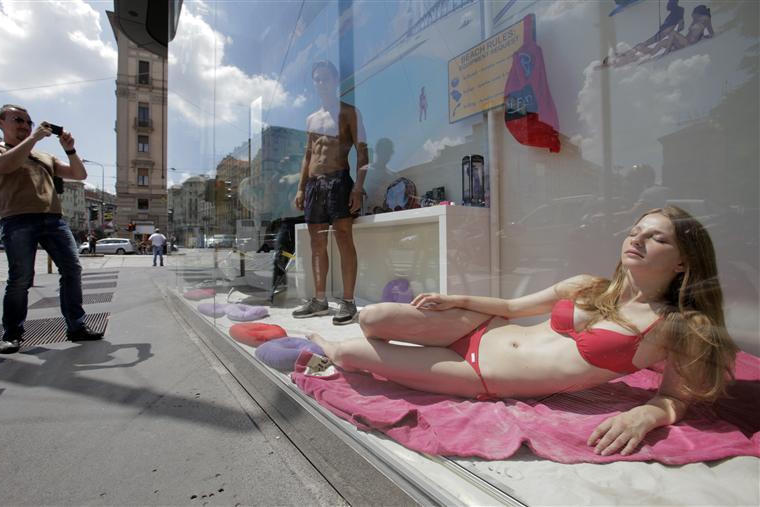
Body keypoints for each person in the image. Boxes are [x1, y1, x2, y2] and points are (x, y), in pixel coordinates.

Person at [309, 206, 738, 456]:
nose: (638, 239)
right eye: (635, 231)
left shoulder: (680, 325)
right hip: (481, 329)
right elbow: (514, 308)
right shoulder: (589, 285)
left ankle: (323, 345)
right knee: (371, 319)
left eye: (657, 238)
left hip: (479, 375)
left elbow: (679, 397)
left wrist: (648, 414)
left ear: (684, 262)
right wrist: (458, 299)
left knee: (348, 354)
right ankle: (345, 340)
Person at [0, 104, 104, 354]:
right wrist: (34, 139)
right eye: (18, 120)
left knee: (72, 269)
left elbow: (79, 174)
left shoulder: (45, 157)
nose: (25, 126)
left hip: (54, 219)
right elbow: (3, 166)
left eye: (28, 122)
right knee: (20, 279)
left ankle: (76, 326)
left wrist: (70, 150)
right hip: (17, 219)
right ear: (1, 122)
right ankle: (12, 334)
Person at [293, 60, 369, 325]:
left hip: (339, 181)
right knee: (316, 244)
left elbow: (362, 151)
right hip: (315, 185)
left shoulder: (349, 112)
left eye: (326, 78)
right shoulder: (311, 119)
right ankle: (319, 300)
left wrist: (358, 188)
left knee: (344, 239)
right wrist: (301, 187)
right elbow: (307, 155)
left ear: (335, 81)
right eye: (317, 79)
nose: (321, 83)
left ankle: (348, 302)